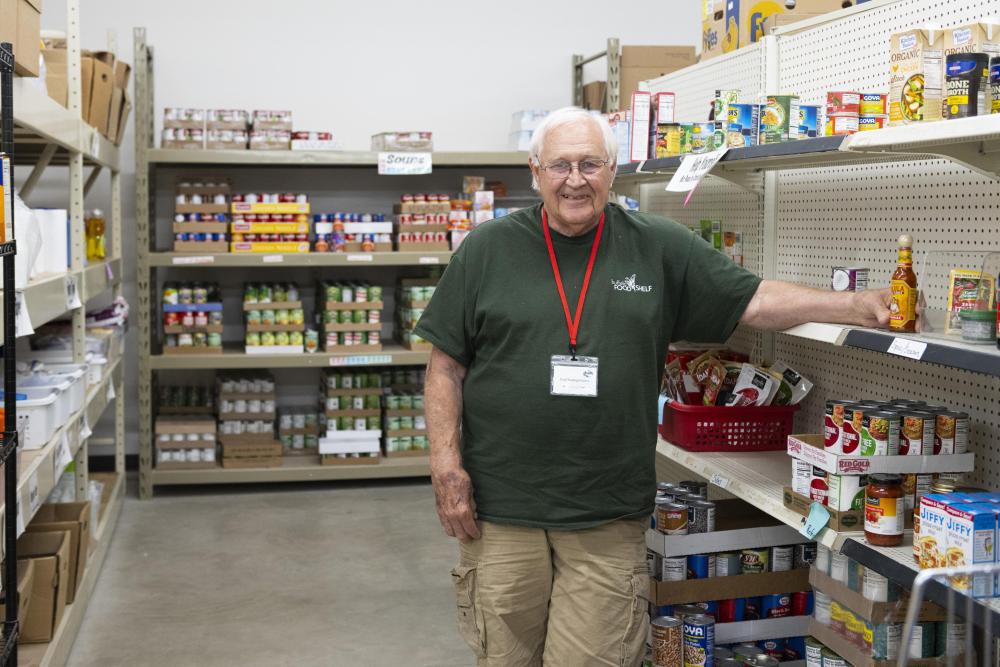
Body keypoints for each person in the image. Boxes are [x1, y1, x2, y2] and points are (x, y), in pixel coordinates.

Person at [415, 107, 889, 667]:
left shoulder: (658, 245)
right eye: (561, 165)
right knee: (504, 658)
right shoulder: (486, 249)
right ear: (535, 170)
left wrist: (853, 304)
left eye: (590, 164)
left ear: (613, 170)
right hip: (500, 508)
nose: (575, 179)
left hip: (607, 510)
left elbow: (755, 300)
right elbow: (444, 367)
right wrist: (447, 466)